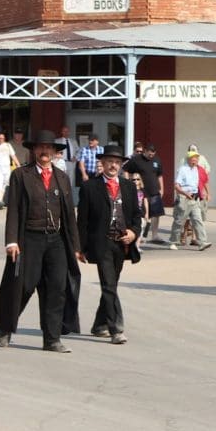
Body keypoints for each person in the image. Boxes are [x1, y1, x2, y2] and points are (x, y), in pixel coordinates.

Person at [0, 129, 82, 353]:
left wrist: (75, 246)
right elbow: (13, 209)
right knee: (23, 286)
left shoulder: (62, 178)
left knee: (56, 288)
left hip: (56, 241)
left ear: (55, 153)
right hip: (29, 239)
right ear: (34, 150)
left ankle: (52, 338)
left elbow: (69, 215)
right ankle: (6, 326)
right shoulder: (21, 176)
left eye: (49, 148)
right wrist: (12, 241)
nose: (45, 151)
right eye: (40, 147)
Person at [77, 143, 141, 344]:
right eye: (109, 162)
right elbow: (83, 220)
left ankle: (99, 325)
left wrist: (133, 232)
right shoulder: (89, 187)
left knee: (111, 285)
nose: (113, 165)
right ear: (102, 164)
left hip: (122, 244)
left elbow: (137, 216)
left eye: (117, 162)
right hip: (101, 243)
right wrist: (79, 247)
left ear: (121, 165)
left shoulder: (129, 186)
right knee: (108, 285)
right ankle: (116, 329)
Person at [169, 150, 211, 251]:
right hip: (184, 198)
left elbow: (204, 181)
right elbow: (177, 186)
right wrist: (185, 193)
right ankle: (173, 241)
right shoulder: (183, 170)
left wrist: (206, 193)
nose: (195, 160)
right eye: (193, 158)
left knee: (198, 220)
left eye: (196, 158)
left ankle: (202, 242)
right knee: (179, 221)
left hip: (195, 198)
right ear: (188, 159)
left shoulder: (198, 169)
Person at [123, 141, 163, 240]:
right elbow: (125, 169)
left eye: (153, 154)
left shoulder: (157, 160)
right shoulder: (136, 159)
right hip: (141, 191)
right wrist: (128, 183)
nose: (151, 156)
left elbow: (160, 175)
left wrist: (162, 188)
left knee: (156, 214)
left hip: (154, 190)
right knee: (142, 214)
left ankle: (155, 235)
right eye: (149, 153)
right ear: (145, 151)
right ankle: (140, 236)